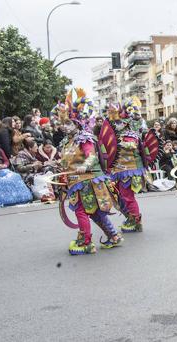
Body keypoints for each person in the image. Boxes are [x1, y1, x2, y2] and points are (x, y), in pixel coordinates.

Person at [55, 89, 122, 255]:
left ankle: (86, 242)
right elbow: (67, 161)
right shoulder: (67, 142)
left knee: (81, 211)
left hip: (88, 180)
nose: (65, 126)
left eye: (69, 123)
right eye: (64, 123)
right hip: (75, 181)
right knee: (95, 212)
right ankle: (113, 236)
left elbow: (91, 156)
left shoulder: (84, 138)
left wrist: (85, 165)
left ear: (78, 123)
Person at [105, 97, 151, 233]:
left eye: (118, 121)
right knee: (119, 196)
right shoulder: (114, 134)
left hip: (131, 170)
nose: (116, 124)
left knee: (128, 197)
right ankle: (130, 217)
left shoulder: (130, 133)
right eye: (115, 122)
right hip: (117, 171)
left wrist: (118, 142)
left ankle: (136, 221)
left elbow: (132, 145)